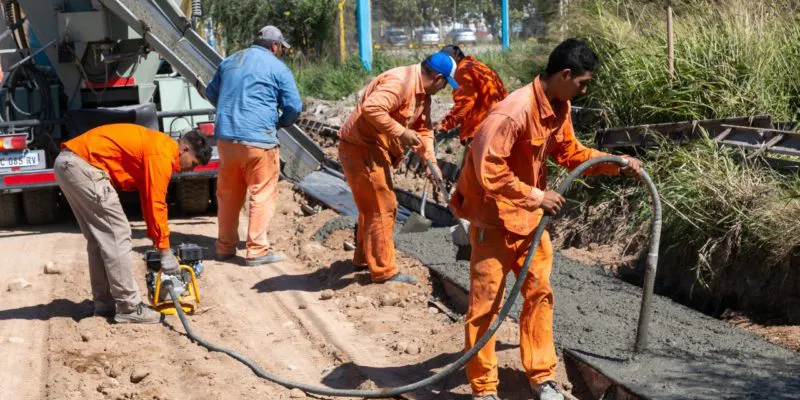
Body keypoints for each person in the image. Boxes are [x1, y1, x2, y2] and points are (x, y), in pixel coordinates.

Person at [450, 39, 643, 400]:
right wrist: (538, 197)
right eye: (582, 83)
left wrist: (617, 164)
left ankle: (542, 377)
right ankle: (484, 388)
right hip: (493, 219)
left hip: (528, 220)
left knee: (539, 294)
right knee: (485, 306)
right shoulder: (513, 112)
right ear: (564, 75)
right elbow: (489, 170)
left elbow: (571, 153)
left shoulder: (559, 106)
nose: (584, 91)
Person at [54, 124, 212, 324]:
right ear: (185, 149)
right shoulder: (162, 153)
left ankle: (104, 304)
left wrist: (158, 242)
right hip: (83, 166)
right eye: (193, 163)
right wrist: (165, 250)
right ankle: (128, 307)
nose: (191, 169)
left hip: (69, 164)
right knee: (118, 234)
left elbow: (147, 199)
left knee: (98, 239)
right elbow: (156, 203)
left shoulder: (158, 147)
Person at [338, 52, 458, 285]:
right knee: (383, 206)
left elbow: (424, 130)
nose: (444, 89)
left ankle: (363, 259)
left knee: (372, 205)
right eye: (445, 84)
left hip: (372, 148)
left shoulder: (423, 94)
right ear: (438, 78)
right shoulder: (400, 83)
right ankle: (384, 271)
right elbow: (371, 108)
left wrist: (431, 163)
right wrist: (401, 132)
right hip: (361, 147)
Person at [205, 25, 302, 266]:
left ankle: (225, 247)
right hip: (259, 141)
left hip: (227, 140)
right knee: (262, 193)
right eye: (281, 48)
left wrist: (231, 107)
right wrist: (281, 122)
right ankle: (257, 250)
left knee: (228, 195)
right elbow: (293, 107)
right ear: (275, 46)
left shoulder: (230, 61)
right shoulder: (277, 68)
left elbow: (211, 93)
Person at [436, 44, 508, 165]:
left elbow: (465, 102)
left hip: (482, 128)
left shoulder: (462, 71)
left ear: (454, 59)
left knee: (470, 170)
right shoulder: (478, 66)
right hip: (500, 122)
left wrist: (445, 125)